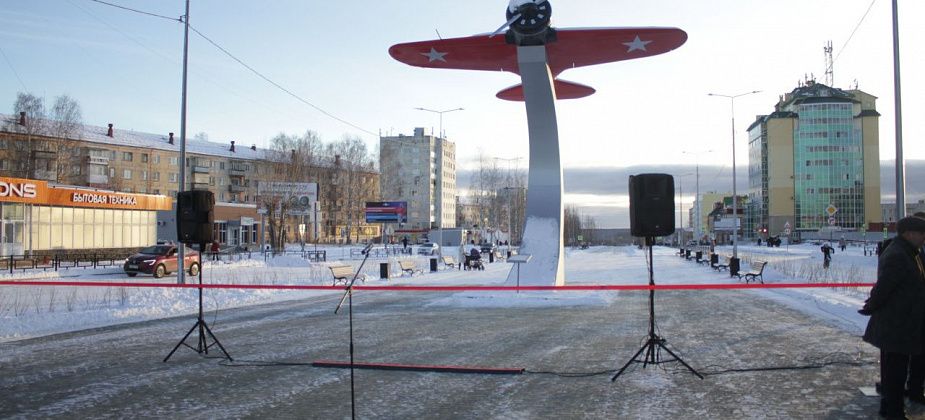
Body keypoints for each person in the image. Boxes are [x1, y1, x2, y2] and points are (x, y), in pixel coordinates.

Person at [860, 216, 925, 419]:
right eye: (921, 233)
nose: (924, 237)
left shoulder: (909, 252)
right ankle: (894, 411)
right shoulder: (899, 254)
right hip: (897, 325)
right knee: (895, 373)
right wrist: (871, 305)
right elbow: (884, 288)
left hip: (903, 324)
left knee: (894, 370)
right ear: (909, 233)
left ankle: (890, 408)